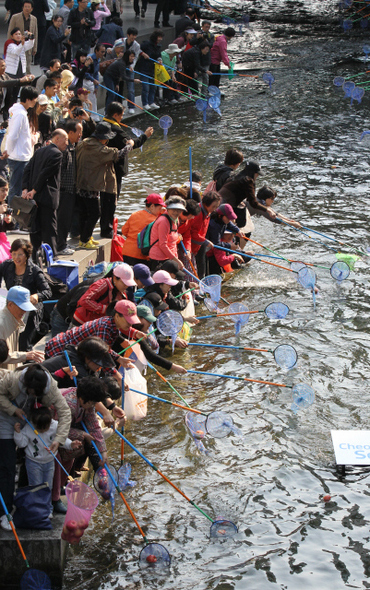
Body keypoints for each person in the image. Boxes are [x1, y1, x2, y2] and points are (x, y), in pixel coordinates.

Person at [0, 363, 71, 526]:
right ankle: (5, 512)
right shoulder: (12, 380)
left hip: (28, 420)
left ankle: (29, 505)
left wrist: (59, 439)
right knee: (7, 466)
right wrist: (13, 409)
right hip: (5, 418)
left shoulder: (51, 387)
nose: (33, 395)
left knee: (28, 459)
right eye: (30, 392)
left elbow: (65, 412)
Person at [51, 375, 111, 513]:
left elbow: (94, 426)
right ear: (83, 399)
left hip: (65, 433)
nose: (92, 407)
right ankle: (53, 498)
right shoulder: (69, 404)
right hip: (50, 429)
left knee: (70, 456)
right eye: (91, 403)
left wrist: (103, 453)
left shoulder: (86, 403)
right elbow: (59, 428)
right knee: (57, 462)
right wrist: (82, 434)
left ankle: (59, 487)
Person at [75, 121, 133, 249]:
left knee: (85, 212)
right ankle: (84, 240)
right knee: (95, 213)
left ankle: (86, 236)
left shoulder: (83, 143)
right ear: (103, 138)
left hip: (80, 182)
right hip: (91, 185)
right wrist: (130, 145)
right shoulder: (100, 150)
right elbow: (118, 154)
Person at [14, 406, 79, 518]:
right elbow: (22, 443)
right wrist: (18, 433)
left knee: (48, 486)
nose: (43, 431)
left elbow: (62, 439)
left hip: (49, 462)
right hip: (33, 462)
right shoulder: (29, 427)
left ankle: (47, 509)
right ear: (34, 423)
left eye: (46, 428)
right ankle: (37, 509)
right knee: (36, 486)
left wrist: (71, 444)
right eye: (40, 428)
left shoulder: (55, 426)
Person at [45, 299, 146, 371]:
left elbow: (105, 350)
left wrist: (118, 359)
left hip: (70, 349)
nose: (131, 324)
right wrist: (118, 364)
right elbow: (101, 353)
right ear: (117, 316)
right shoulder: (105, 327)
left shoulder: (113, 326)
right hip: (58, 349)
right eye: (128, 321)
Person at [101, 101, 153, 238]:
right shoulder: (116, 129)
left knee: (107, 198)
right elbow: (131, 144)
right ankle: (107, 228)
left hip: (104, 167)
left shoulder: (103, 124)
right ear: (115, 115)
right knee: (111, 199)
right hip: (115, 169)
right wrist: (145, 136)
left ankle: (107, 225)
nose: (122, 118)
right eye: (121, 115)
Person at [21, 128, 69, 258]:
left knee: (35, 229)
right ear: (57, 139)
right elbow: (46, 174)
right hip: (47, 197)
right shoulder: (57, 154)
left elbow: (27, 170)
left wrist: (26, 189)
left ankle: (35, 258)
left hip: (33, 198)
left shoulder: (39, 151)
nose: (67, 143)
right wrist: (34, 190)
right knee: (50, 230)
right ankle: (51, 258)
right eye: (65, 140)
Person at [0, 239, 52, 350]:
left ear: (27, 255)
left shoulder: (35, 271)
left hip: (29, 311)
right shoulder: (6, 266)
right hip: (11, 307)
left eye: (20, 254)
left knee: (24, 344)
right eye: (14, 254)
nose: (16, 258)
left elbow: (47, 291)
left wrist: (37, 296)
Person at [3, 85, 38, 206]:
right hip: (19, 156)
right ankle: (13, 217)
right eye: (34, 99)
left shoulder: (17, 111)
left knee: (17, 188)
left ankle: (14, 217)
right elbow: (13, 135)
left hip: (19, 155)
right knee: (16, 189)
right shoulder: (20, 114)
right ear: (28, 99)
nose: (35, 102)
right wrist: (8, 150)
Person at [218, 160, 273, 230]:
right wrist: (267, 209)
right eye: (257, 173)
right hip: (225, 206)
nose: (257, 176)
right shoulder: (248, 181)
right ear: (253, 173)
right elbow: (253, 203)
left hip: (217, 201)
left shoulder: (236, 175)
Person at [0, 286, 44, 371]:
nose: (24, 311)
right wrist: (25, 356)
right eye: (22, 307)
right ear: (10, 305)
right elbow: (2, 356)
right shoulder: (2, 324)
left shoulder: (14, 319)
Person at [56, 120, 83, 255]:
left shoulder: (72, 147)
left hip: (70, 189)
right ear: (70, 132)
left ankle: (61, 243)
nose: (80, 135)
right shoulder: (65, 149)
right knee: (63, 219)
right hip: (64, 190)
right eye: (79, 132)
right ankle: (60, 245)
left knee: (65, 219)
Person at [121, 193, 166, 266]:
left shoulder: (134, 214)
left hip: (127, 252)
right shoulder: (156, 221)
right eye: (160, 208)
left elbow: (124, 231)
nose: (161, 211)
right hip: (142, 254)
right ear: (152, 206)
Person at [149, 195, 187, 271]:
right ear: (168, 208)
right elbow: (162, 244)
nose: (176, 212)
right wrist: (176, 260)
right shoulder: (163, 221)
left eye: (179, 210)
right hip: (159, 258)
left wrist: (176, 259)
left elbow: (173, 241)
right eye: (173, 209)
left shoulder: (176, 220)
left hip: (170, 257)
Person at [206, 203, 245, 274]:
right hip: (207, 251)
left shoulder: (223, 220)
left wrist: (238, 230)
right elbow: (216, 244)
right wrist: (230, 247)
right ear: (220, 215)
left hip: (216, 250)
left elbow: (229, 224)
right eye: (228, 218)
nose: (230, 220)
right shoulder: (214, 225)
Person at [190, 190, 221, 278]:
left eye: (216, 207)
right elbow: (192, 233)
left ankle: (202, 285)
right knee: (195, 268)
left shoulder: (208, 212)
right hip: (193, 244)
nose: (214, 209)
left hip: (200, 242)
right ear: (206, 203)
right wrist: (206, 241)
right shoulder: (198, 213)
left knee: (202, 266)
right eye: (213, 206)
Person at [4, 27, 35, 107]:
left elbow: (30, 45)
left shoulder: (21, 44)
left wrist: (31, 37)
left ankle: (13, 107)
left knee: (16, 92)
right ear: (12, 36)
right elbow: (16, 51)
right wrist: (22, 43)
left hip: (20, 71)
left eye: (19, 34)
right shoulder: (10, 44)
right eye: (16, 34)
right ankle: (6, 109)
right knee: (9, 93)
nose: (18, 36)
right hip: (11, 72)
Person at [7, 0, 38, 74]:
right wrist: (9, 44)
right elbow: (10, 31)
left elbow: (35, 33)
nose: (27, 8)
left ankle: (26, 81)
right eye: (25, 7)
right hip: (17, 44)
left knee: (27, 65)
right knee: (16, 65)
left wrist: (35, 48)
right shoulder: (15, 17)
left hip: (28, 46)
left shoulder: (34, 19)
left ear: (32, 9)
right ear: (22, 8)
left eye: (29, 7)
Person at [135, 29, 164, 110]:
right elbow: (138, 49)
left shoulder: (158, 46)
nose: (160, 39)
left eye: (161, 37)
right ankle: (145, 103)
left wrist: (159, 59)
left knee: (153, 87)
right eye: (159, 37)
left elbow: (158, 55)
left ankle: (151, 102)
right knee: (146, 87)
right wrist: (143, 54)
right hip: (144, 68)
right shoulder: (146, 44)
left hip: (152, 69)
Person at [0, 57, 34, 122]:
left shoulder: (4, 76)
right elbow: (3, 83)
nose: (4, 68)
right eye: (2, 66)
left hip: (4, 109)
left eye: (5, 66)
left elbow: (13, 83)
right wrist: (20, 80)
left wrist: (26, 80)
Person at [0, 178, 15, 263]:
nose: (5, 193)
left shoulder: (4, 205)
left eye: (7, 190)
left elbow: (11, 227)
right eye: (2, 190)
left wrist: (9, 220)